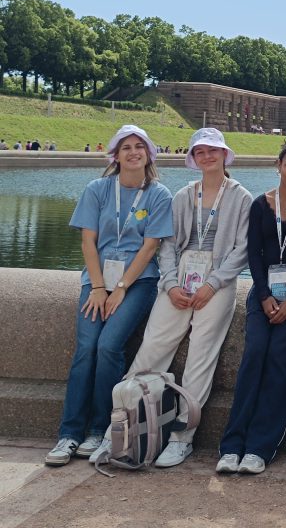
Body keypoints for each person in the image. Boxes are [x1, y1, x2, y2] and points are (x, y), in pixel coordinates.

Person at [89, 128, 252, 467]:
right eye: (200, 152)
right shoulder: (183, 195)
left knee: (201, 357)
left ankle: (182, 437)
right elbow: (167, 245)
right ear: (193, 158)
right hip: (180, 278)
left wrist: (213, 284)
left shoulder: (241, 197)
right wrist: (172, 283)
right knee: (152, 348)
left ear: (224, 154)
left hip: (217, 283)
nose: (207, 156)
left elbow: (242, 250)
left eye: (213, 150)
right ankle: (119, 430)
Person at [44, 124, 173, 466]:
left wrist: (121, 288)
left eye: (139, 147)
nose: (133, 152)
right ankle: (69, 433)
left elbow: (150, 247)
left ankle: (100, 429)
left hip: (138, 282)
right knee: (86, 347)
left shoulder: (159, 194)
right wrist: (100, 288)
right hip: (97, 280)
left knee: (108, 346)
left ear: (149, 154)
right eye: (126, 147)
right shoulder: (97, 189)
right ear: (115, 155)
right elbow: (88, 241)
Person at [216, 142, 286, 475]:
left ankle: (261, 446)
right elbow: (254, 254)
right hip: (263, 293)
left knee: (280, 360)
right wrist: (264, 296)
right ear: (278, 165)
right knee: (254, 355)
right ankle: (232, 444)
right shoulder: (260, 205)